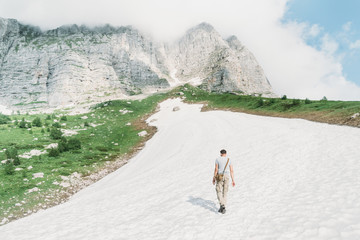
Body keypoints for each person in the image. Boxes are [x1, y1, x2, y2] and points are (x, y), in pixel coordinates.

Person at [212, 149, 235, 214]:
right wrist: (233, 180)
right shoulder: (229, 160)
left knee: (218, 190)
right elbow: (231, 170)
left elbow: (216, 169)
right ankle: (223, 205)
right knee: (225, 191)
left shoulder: (217, 159)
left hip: (220, 176)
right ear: (226, 153)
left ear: (220, 154)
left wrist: (214, 178)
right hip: (227, 176)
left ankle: (222, 205)